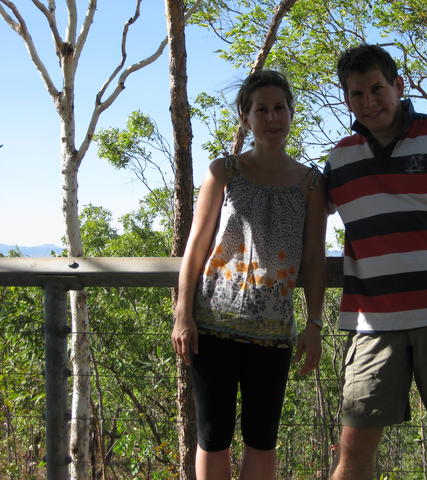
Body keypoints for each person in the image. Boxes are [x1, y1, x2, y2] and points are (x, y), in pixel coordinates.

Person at [324, 44, 427, 480]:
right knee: (354, 443)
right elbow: (301, 207)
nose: (369, 102)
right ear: (347, 99)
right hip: (372, 324)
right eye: (357, 94)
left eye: (377, 89)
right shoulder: (340, 159)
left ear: (398, 86)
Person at [171, 70, 327, 480]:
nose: (272, 118)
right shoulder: (224, 172)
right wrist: (182, 313)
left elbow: (314, 259)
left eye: (280, 108)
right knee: (213, 436)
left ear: (291, 113)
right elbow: (196, 247)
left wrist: (314, 323)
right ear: (246, 117)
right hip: (211, 325)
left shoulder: (311, 183)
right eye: (262, 110)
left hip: (273, 332)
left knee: (262, 438)